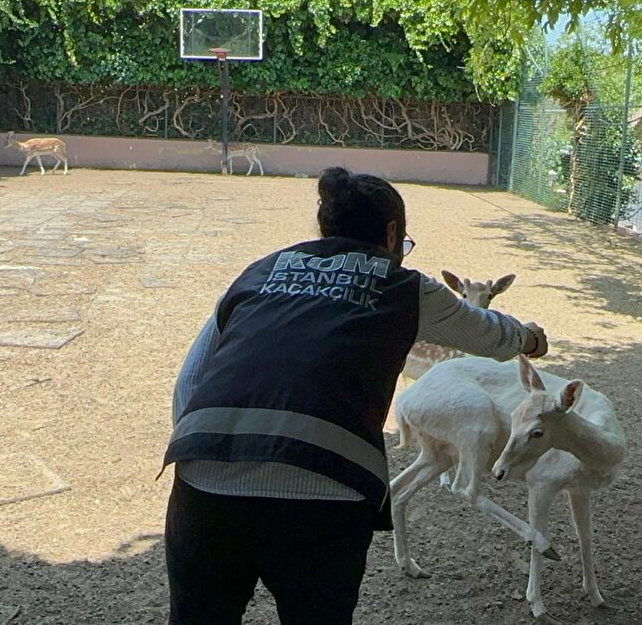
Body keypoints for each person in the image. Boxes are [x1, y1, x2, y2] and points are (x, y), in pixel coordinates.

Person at [161, 167, 549, 624]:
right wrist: (529, 338)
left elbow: (189, 383)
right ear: (390, 234)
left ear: (325, 227)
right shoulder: (404, 285)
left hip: (204, 485)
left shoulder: (260, 271)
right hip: (325, 494)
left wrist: (223, 453)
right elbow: (488, 336)